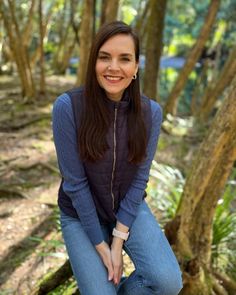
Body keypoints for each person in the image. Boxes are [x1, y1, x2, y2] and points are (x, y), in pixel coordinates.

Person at [52, 21, 182, 295]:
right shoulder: (68, 107)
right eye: (104, 57)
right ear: (94, 63)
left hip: (127, 208)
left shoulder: (151, 113)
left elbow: (139, 181)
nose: (114, 67)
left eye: (125, 59)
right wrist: (101, 245)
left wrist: (118, 241)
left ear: (135, 68)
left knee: (168, 283)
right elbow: (74, 184)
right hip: (79, 213)